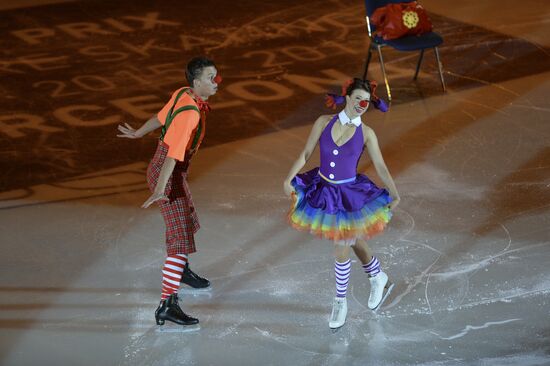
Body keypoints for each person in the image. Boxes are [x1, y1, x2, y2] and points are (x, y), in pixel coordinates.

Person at [283, 78, 400, 329]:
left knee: (341, 244)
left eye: (365, 101)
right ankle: (378, 276)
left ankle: (340, 301)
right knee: (351, 236)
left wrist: (394, 192)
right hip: (323, 190)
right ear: (346, 97)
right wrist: (289, 177)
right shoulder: (323, 122)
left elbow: (380, 165)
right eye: (357, 98)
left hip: (349, 195)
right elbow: (305, 153)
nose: (361, 104)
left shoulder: (367, 133)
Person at [117, 56, 221, 328]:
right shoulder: (190, 113)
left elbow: (160, 117)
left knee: (186, 220)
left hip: (169, 172)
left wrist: (139, 132)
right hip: (167, 173)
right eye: (211, 78)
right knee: (179, 238)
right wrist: (161, 189)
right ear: (197, 82)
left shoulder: (183, 93)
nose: (216, 83)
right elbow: (172, 157)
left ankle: (182, 272)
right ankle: (167, 304)